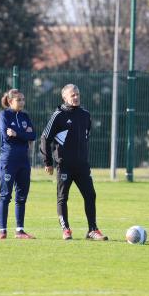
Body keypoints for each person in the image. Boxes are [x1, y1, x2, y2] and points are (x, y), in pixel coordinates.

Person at [40, 84, 108, 241]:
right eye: (72, 95)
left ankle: (92, 230)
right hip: (64, 165)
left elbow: (86, 136)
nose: (76, 97)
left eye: (77, 94)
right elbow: (45, 138)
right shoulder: (58, 115)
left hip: (82, 166)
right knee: (63, 197)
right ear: (65, 98)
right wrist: (48, 161)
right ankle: (66, 230)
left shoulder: (85, 115)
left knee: (90, 195)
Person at [0, 89, 36, 239]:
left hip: (23, 161)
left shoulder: (25, 116)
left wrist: (17, 133)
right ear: (10, 101)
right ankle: (2, 230)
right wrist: (23, 133)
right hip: (8, 160)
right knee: (5, 195)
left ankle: (19, 230)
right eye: (19, 99)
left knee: (21, 196)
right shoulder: (4, 115)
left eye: (23, 99)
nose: (22, 102)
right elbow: (6, 137)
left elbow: (32, 135)